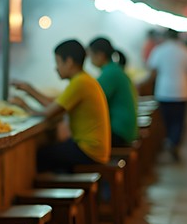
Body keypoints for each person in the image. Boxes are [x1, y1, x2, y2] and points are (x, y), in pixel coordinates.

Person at [10, 39, 111, 170]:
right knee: (54, 151)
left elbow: (48, 113)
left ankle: (66, 187)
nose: (56, 68)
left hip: (89, 151)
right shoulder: (83, 79)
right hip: (94, 149)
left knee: (42, 155)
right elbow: (55, 105)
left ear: (68, 62)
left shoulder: (80, 83)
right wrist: (29, 89)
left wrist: (24, 105)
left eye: (57, 62)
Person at [146, 29, 187, 161]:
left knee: (166, 120)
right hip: (182, 91)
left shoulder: (159, 50)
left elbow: (152, 72)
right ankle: (174, 143)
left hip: (163, 91)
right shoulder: (186, 51)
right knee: (179, 121)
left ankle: (169, 140)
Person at [88, 36, 137, 148]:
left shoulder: (109, 74)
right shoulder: (115, 70)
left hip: (119, 131)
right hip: (127, 129)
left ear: (100, 55)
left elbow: (92, 101)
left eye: (90, 55)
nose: (90, 60)